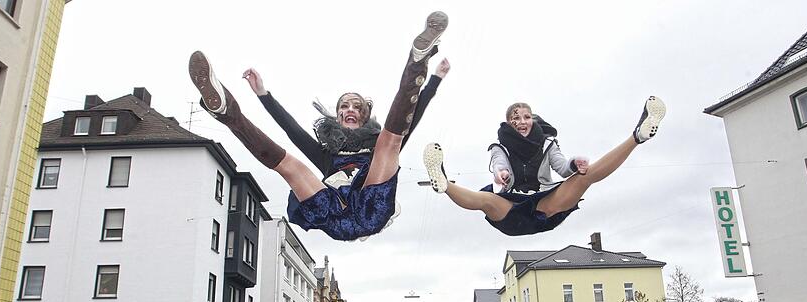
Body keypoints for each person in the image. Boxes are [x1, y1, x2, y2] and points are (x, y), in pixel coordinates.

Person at [188, 12, 449, 241]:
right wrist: (263, 94)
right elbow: (292, 130)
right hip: (332, 212)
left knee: (390, 142)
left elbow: (411, 119)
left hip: (371, 208)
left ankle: (417, 61)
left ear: (365, 116)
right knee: (290, 167)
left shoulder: (376, 146)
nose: (350, 110)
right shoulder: (327, 154)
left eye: (357, 107)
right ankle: (226, 111)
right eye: (344, 106)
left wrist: (434, 79)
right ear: (336, 116)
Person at [422, 96, 665, 237]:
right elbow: (499, 164)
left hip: (544, 206)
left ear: (533, 120)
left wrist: (574, 164)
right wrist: (501, 175)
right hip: (511, 211)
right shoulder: (500, 147)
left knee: (584, 177)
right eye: (515, 118)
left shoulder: (548, 143)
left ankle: (637, 136)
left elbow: (562, 168)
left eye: (526, 117)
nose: (521, 121)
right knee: (485, 200)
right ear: (508, 123)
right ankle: (443, 183)